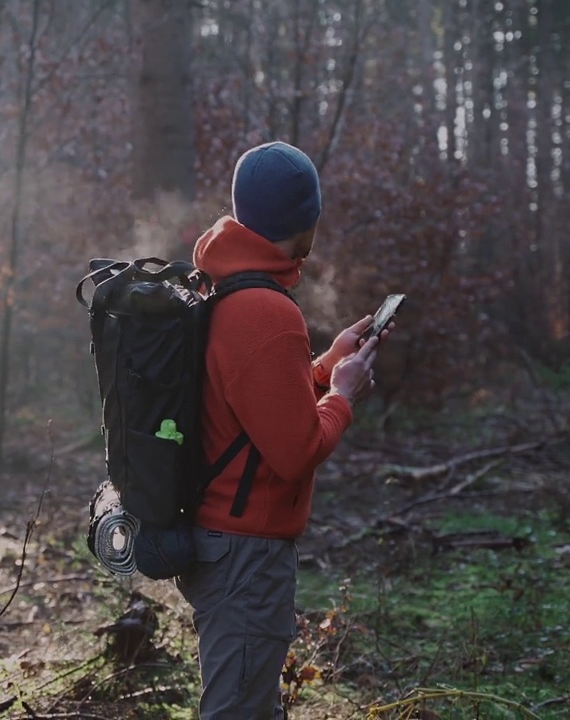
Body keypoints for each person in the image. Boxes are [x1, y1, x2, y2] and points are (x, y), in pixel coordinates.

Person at [176, 141, 388, 719]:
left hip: (221, 540)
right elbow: (296, 451)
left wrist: (322, 367)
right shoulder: (268, 314)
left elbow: (251, 406)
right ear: (305, 220)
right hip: (247, 551)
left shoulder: (224, 285)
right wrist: (342, 394)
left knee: (250, 704)